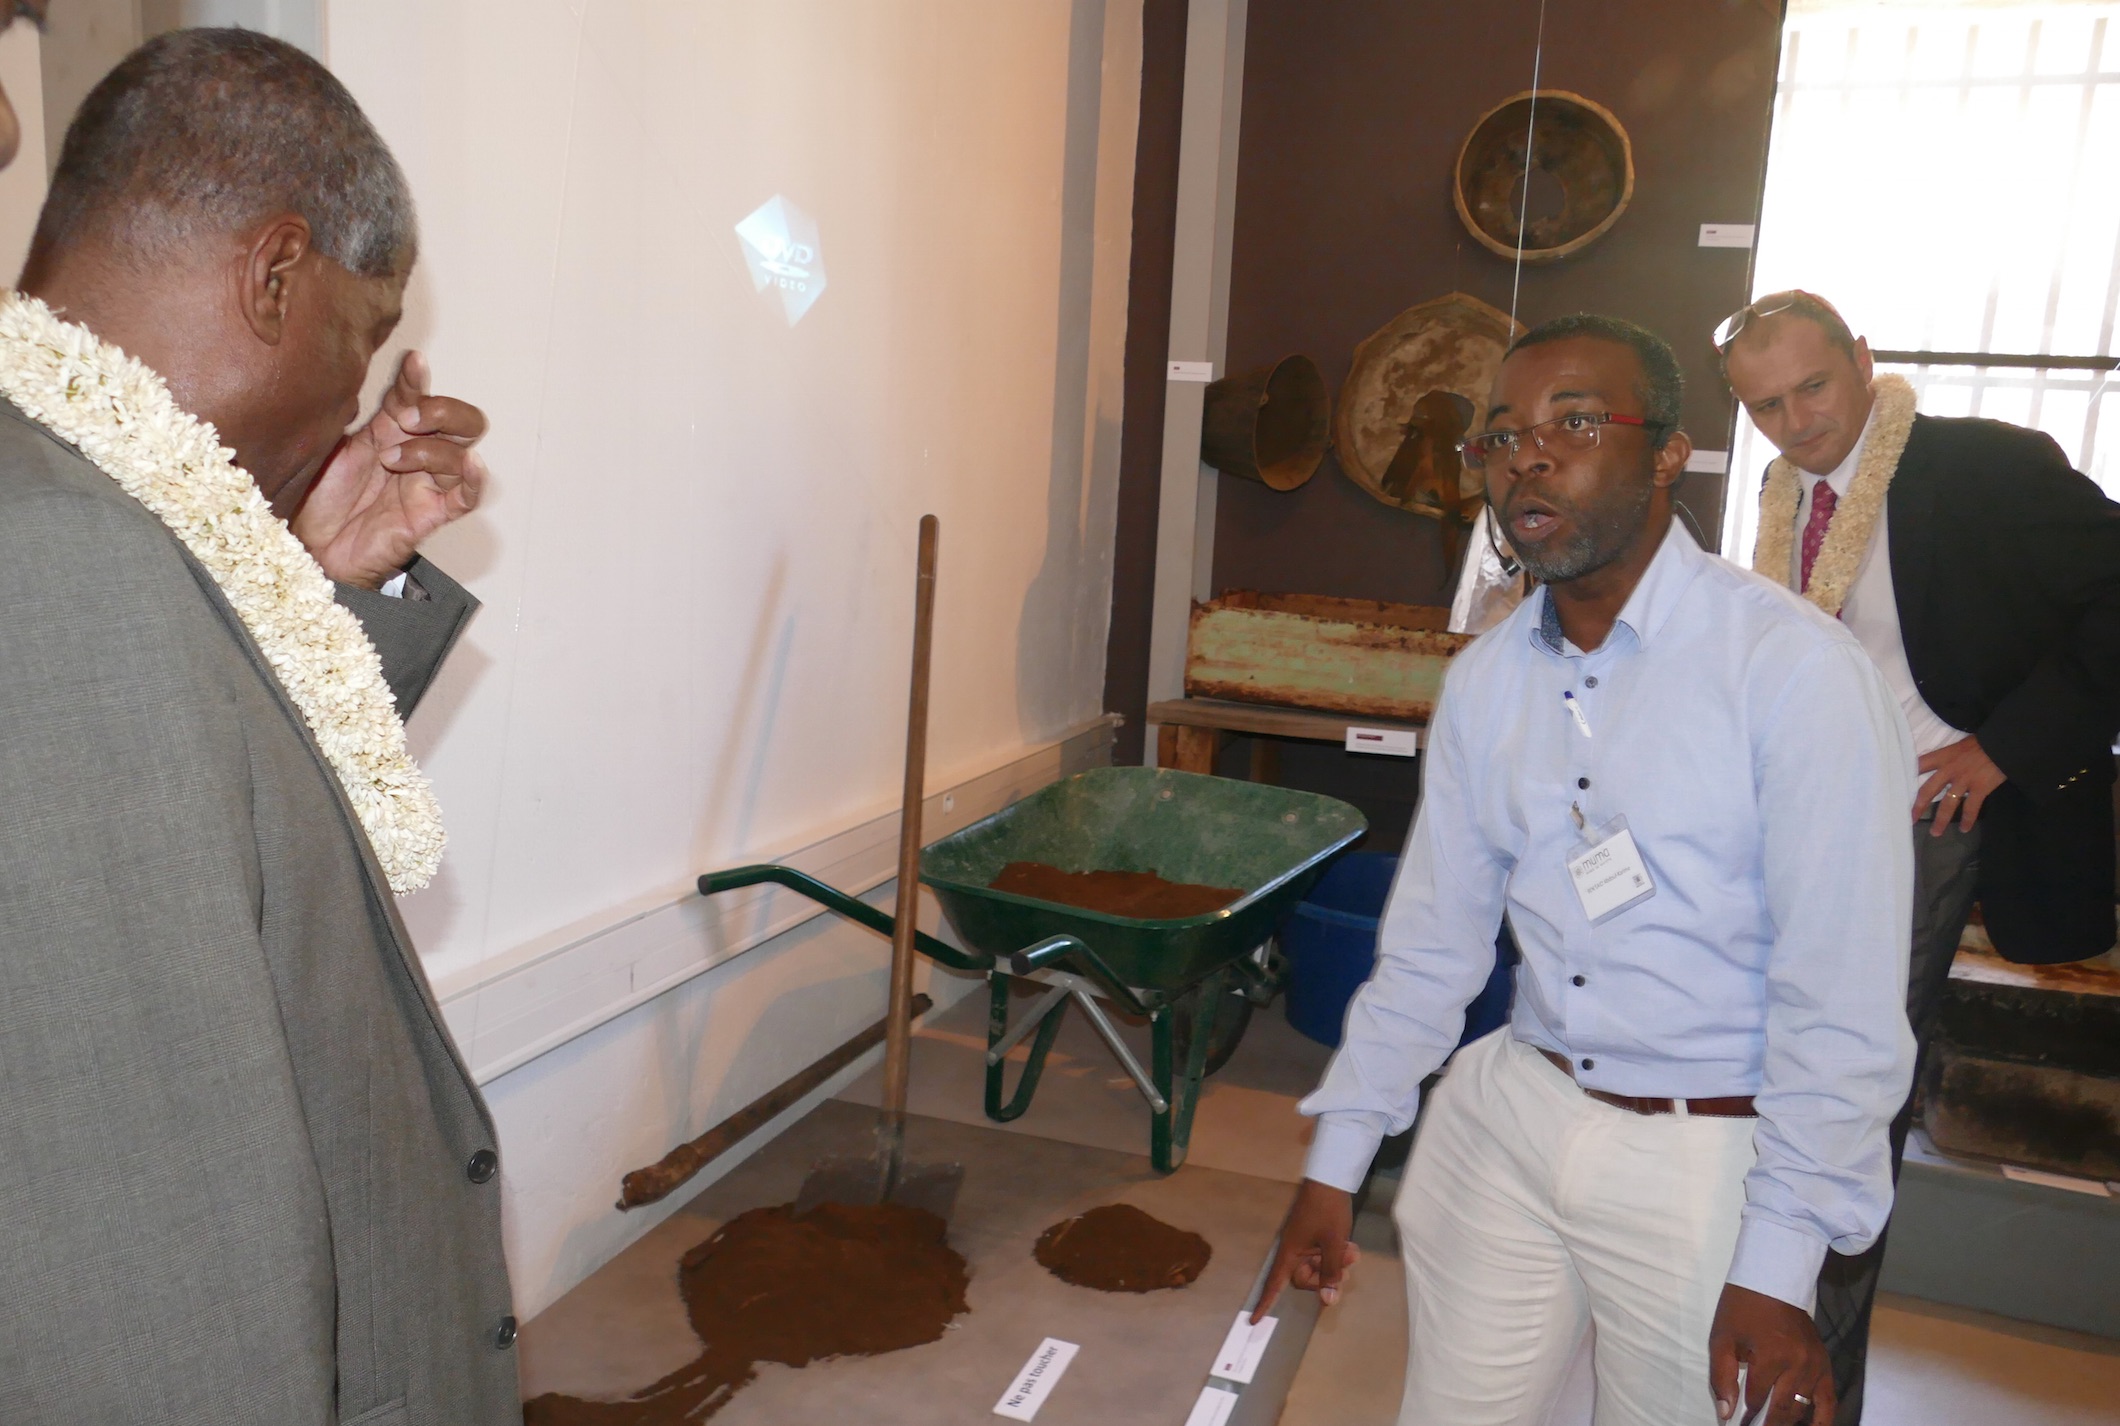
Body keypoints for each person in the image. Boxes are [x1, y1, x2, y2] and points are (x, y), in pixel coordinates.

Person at [1256, 314, 1917, 1426]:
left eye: (1573, 424)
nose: (1528, 457)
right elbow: (1430, 945)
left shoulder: (1792, 672)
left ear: (1667, 454)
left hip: (1708, 1148)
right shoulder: (1487, 681)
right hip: (1517, 1107)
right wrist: (1337, 1159)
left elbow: (1841, 1001)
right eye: (1501, 434)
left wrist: (1777, 1260)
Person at [0, 30, 518, 1425]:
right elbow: (156, 1248)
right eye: (366, 334)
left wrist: (320, 582)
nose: (360, 398)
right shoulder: (60, 556)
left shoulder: (93, 507)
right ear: (275, 274)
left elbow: (237, 827)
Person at [1718, 291, 2120, 1424]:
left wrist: (2005, 747)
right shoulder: (1782, 495)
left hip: (1918, 825)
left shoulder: (1980, 469)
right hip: (1794, 822)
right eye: (1765, 406)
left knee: (1845, 1099)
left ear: (1862, 359)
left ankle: (1812, 1393)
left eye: (1812, 386)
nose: (1795, 422)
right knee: (1763, 1081)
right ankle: (1736, 1335)